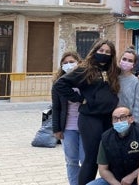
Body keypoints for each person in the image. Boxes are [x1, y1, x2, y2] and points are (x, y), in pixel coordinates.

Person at [54, 39, 121, 185]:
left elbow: (130, 70)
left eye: (108, 52)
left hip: (109, 119)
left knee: (110, 157)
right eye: (101, 51)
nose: (104, 54)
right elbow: (60, 84)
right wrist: (79, 98)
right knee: (91, 159)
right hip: (90, 118)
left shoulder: (113, 71)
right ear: (95, 51)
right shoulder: (85, 69)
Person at [87, 106, 139, 185]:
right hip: (116, 180)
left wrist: (131, 176)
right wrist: (116, 183)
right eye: (115, 118)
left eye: (123, 117)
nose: (119, 121)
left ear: (131, 119)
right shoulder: (106, 138)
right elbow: (103, 169)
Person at [52, 50, 84, 185]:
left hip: (85, 127)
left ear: (78, 63)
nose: (69, 65)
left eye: (72, 62)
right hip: (68, 127)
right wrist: (56, 129)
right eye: (65, 63)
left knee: (86, 159)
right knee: (71, 160)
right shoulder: (58, 84)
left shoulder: (85, 80)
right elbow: (56, 107)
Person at [118, 48, 139, 123]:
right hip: (112, 119)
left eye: (130, 61)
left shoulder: (137, 81)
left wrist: (136, 124)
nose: (126, 62)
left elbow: (138, 107)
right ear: (120, 60)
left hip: (127, 120)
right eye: (124, 59)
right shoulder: (113, 78)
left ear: (134, 64)